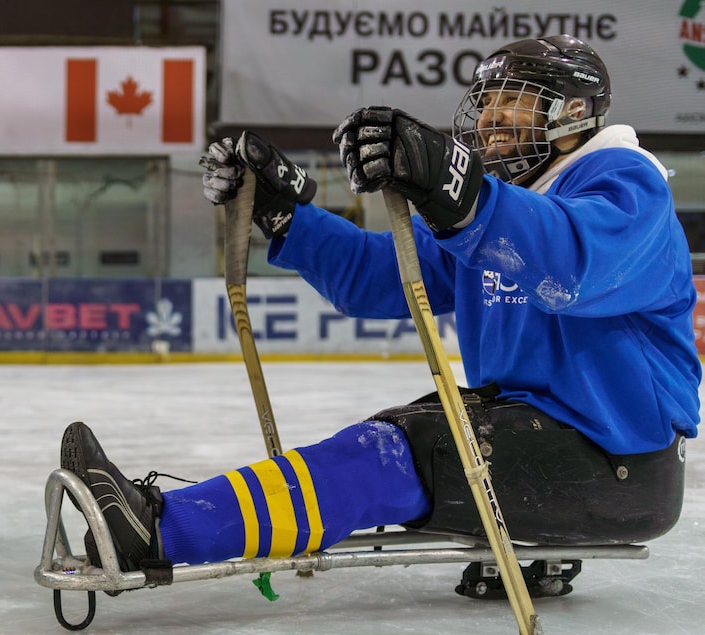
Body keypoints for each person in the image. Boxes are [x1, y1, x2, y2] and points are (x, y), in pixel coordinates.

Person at [61, 35, 700, 586]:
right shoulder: (496, 214)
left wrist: (461, 193)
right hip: (538, 437)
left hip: (617, 460)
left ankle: (159, 533)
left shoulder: (624, 185)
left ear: (574, 115)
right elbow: (381, 279)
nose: (493, 121)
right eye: (487, 105)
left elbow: (568, 263)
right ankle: (164, 522)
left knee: (392, 454)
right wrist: (288, 217)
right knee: (393, 441)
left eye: (515, 104)